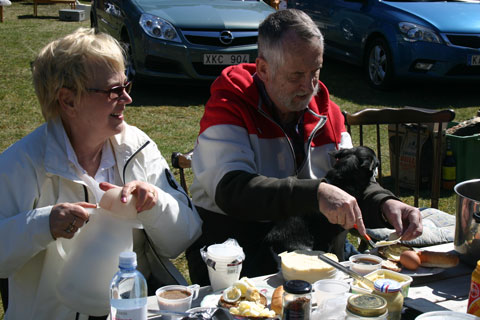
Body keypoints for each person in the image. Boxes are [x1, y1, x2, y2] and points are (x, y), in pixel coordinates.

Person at [186, 9, 422, 285]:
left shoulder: (327, 112)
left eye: (316, 71)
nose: (309, 85)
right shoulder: (230, 107)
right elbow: (232, 191)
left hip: (317, 263)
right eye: (296, 75)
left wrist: (385, 203)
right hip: (239, 263)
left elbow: (347, 184)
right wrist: (315, 193)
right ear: (263, 69)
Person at [0, 28, 202, 320]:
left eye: (126, 85)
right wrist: (43, 224)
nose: (127, 99)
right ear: (68, 100)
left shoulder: (137, 147)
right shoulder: (22, 164)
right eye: (113, 91)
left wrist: (154, 203)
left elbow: (184, 237)